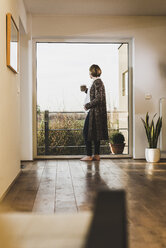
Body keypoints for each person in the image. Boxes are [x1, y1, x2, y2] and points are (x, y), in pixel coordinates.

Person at [80, 64, 109, 161]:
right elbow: (96, 95)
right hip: (97, 113)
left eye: (89, 72)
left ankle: (89, 155)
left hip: (94, 113)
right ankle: (96, 155)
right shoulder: (98, 82)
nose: (89, 74)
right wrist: (86, 91)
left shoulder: (97, 83)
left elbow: (99, 98)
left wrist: (87, 105)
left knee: (86, 132)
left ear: (91, 73)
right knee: (96, 133)